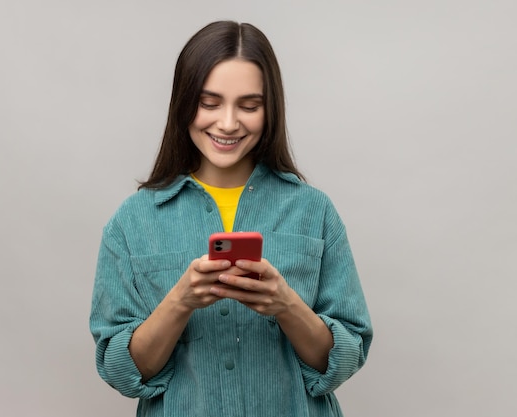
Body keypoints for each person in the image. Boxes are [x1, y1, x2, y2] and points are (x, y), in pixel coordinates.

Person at [90, 20, 372, 417]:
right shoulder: (132, 222)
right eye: (209, 103)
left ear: (269, 109)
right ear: (184, 103)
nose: (227, 123)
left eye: (249, 105)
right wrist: (180, 301)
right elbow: (121, 372)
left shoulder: (314, 211)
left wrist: (286, 304)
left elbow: (344, 360)